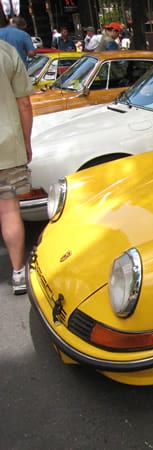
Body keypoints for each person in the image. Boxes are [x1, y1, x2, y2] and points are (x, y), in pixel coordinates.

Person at [0, 40, 33, 295]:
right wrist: (26, 141)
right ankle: (18, 272)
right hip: (7, 143)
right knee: (9, 210)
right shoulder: (7, 51)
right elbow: (24, 103)